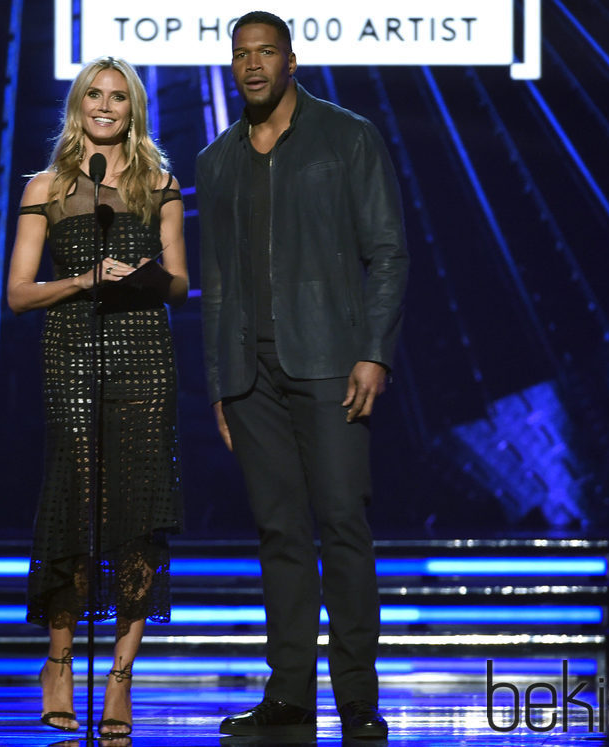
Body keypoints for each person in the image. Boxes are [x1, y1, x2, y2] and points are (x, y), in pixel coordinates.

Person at [196, 10, 409, 741]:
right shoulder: (216, 159)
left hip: (330, 366)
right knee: (278, 532)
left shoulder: (347, 137)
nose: (252, 65)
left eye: (266, 52)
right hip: (251, 378)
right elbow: (215, 283)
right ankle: (288, 695)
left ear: (291, 60)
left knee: (344, 527)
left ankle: (357, 698)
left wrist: (373, 351)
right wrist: (222, 380)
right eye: (241, 54)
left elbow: (388, 251)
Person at [7, 56, 187, 737]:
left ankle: (120, 676)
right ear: (78, 104)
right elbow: (20, 293)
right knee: (76, 502)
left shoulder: (159, 183)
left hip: (145, 354)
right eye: (95, 95)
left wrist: (143, 275)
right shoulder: (45, 186)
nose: (106, 106)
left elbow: (180, 284)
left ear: (134, 109)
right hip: (73, 351)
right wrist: (83, 280)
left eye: (119, 97)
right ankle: (59, 660)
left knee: (139, 511)